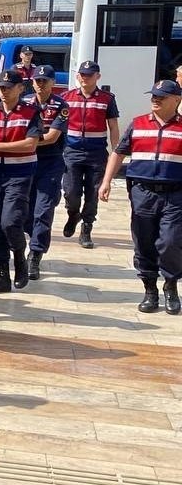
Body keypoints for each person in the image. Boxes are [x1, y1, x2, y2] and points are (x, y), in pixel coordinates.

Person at [100, 79, 182, 315]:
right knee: (143, 242)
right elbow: (118, 154)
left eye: (162, 96)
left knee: (170, 242)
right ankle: (149, 289)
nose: (155, 99)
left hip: (175, 194)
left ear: (176, 100)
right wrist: (106, 181)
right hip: (143, 193)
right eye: (154, 95)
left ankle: (170, 284)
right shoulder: (138, 124)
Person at [0, 69, 42, 294]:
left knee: (10, 222)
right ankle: (2, 274)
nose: (3, 92)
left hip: (19, 175)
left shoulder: (31, 112)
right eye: (1, 87)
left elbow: (30, 144)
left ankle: (20, 260)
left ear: (20, 89)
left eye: (8, 87)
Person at [60, 60, 119, 250]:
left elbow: (113, 126)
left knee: (93, 193)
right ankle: (73, 214)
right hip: (72, 151)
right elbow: (58, 125)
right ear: (77, 76)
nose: (85, 78)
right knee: (70, 191)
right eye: (82, 75)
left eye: (89, 75)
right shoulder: (66, 97)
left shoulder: (107, 99)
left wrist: (116, 151)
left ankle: (86, 228)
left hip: (96, 153)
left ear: (97, 77)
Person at [23, 65, 70, 279]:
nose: (40, 85)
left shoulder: (61, 105)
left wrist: (26, 142)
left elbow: (52, 137)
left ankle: (35, 254)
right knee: (25, 210)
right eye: (37, 81)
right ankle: (32, 239)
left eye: (45, 81)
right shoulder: (24, 103)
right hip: (25, 161)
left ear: (53, 83)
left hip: (50, 162)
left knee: (43, 209)